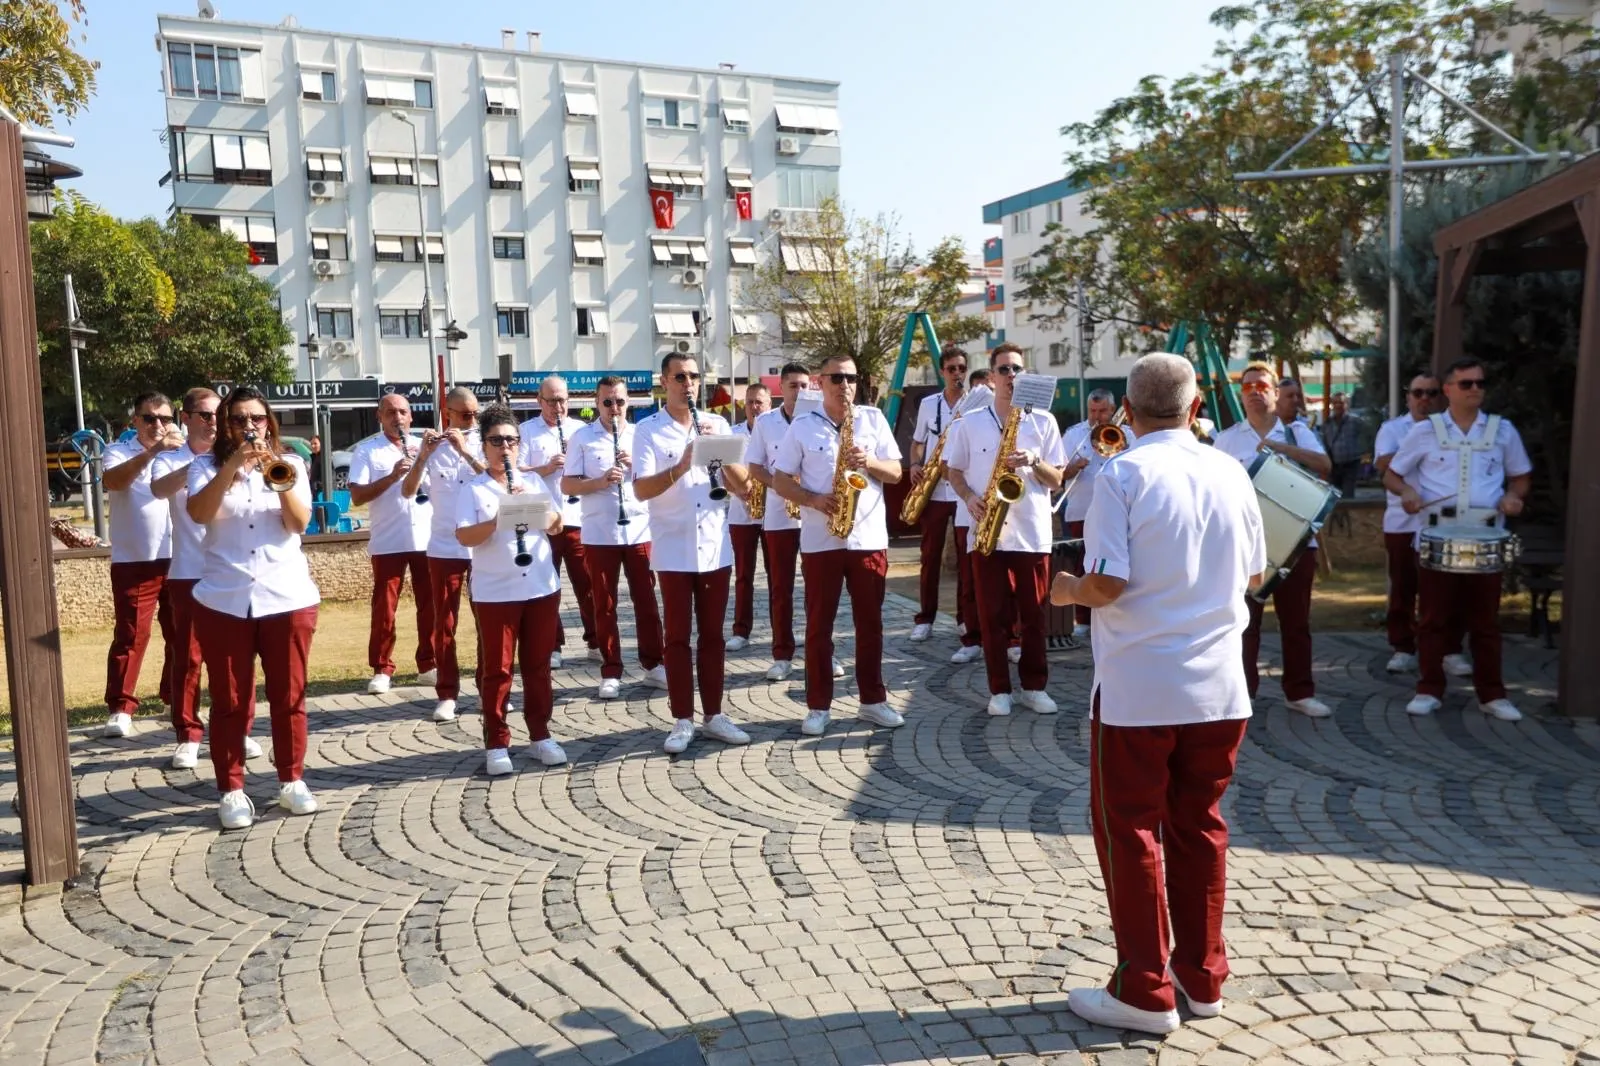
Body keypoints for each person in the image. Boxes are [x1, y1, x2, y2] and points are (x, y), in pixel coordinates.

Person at [1049, 353, 1266, 1036]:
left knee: (1131, 830)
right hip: (1221, 688)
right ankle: (1202, 979)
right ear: (1198, 408)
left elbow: (1106, 584)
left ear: (1128, 416)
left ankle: (1144, 988)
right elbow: (1257, 575)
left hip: (1141, 688)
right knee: (1200, 826)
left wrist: (1066, 591)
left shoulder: (1123, 473)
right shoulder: (1231, 470)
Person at [186, 386, 320, 830]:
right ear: (225, 424)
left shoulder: (291, 464)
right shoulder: (204, 467)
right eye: (240, 419)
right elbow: (200, 513)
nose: (250, 426)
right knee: (229, 701)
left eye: (257, 419)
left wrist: (271, 472)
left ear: (270, 423)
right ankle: (232, 790)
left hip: (286, 597)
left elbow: (299, 522)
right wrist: (232, 467)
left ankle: (292, 780)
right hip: (224, 598)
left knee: (290, 696)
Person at [1384, 357, 1532, 721]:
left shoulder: (1503, 431)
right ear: (1448, 390)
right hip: (1436, 535)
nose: (1476, 389)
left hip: (1484, 536)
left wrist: (1515, 496)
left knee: (1485, 621)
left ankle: (1492, 694)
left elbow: (1520, 476)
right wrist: (1405, 492)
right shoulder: (1425, 431)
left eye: (1480, 383)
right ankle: (1429, 688)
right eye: (1466, 384)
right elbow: (1392, 474)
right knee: (1433, 617)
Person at [771, 355, 906, 736]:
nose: (844, 385)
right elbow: (781, 480)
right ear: (820, 381)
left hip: (867, 538)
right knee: (819, 627)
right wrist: (813, 499)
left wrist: (870, 463)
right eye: (836, 377)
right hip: (820, 538)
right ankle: (818, 706)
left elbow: (895, 473)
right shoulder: (803, 425)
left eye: (850, 378)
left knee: (871, 625)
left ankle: (873, 701)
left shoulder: (873, 419)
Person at [633, 354, 754, 754]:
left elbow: (744, 488)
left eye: (694, 376)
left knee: (714, 637)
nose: (688, 384)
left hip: (714, 547)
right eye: (680, 377)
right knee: (678, 638)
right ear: (664, 383)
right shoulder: (647, 430)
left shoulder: (717, 425)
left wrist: (720, 459)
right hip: (672, 546)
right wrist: (682, 465)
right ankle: (682, 718)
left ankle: (715, 714)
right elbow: (641, 490)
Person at [943, 343, 1066, 716]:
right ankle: (999, 690)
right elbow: (954, 472)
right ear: (992, 376)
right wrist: (967, 498)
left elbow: (1057, 478)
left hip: (1030, 533)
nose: (1012, 376)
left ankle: (1034, 687)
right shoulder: (970, 422)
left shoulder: (1043, 421)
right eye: (1005, 370)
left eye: (1017, 370)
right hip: (986, 531)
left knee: (1034, 616)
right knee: (991, 616)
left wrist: (1034, 460)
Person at [1212, 362, 1334, 718]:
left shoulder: (1297, 432)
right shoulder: (1228, 437)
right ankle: (1242, 693)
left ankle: (1299, 693)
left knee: (1296, 624)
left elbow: (1324, 465)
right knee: (1243, 623)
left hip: (1296, 546)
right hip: (1245, 547)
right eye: (1247, 387)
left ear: (1275, 393)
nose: (1253, 392)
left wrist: (1280, 447)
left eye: (1261, 386)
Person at [151, 388, 262, 769]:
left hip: (231, 570)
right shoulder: (172, 457)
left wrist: (233, 459)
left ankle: (242, 730)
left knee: (237, 656)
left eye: (219, 415)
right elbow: (159, 489)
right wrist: (204, 463)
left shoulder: (245, 458)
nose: (213, 421)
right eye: (204, 415)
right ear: (186, 418)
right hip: (189, 569)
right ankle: (188, 733)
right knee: (189, 655)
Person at [456, 405, 568, 774]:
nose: (505, 448)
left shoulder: (533, 482)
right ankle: (497, 743)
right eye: (496, 441)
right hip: (495, 591)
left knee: (538, 666)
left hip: (540, 586)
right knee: (498, 671)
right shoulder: (473, 488)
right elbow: (464, 535)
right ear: (484, 446)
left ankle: (540, 735)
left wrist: (531, 507)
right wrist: (498, 517)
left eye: (511, 440)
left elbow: (556, 526)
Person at [560, 376, 667, 699]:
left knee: (646, 601)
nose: (614, 408)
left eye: (619, 401)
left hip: (639, 528)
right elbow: (567, 485)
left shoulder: (641, 434)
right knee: (603, 604)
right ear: (597, 404)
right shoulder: (582, 437)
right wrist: (600, 481)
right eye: (607, 402)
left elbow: (658, 478)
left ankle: (654, 664)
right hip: (599, 530)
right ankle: (611, 669)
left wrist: (635, 466)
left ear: (628, 402)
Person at [100, 392, 180, 738]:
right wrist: (154, 452)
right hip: (135, 558)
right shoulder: (118, 451)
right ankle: (121, 707)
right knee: (132, 635)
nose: (158, 425)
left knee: (182, 636)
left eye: (164, 418)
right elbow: (114, 482)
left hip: (181, 557)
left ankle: (175, 698)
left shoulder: (183, 450)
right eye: (149, 418)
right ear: (135, 421)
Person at [406, 387, 486, 722]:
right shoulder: (432, 449)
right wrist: (423, 455)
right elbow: (408, 490)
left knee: (488, 622)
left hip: (483, 545)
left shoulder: (485, 442)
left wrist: (466, 450)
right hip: (443, 546)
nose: (471, 420)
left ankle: (489, 689)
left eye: (475, 414)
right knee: (445, 623)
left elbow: (496, 481)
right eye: (465, 414)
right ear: (447, 413)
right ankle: (447, 692)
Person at [348, 394, 435, 694]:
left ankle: (429, 664)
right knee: (384, 607)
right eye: (390, 413)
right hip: (389, 539)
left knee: (430, 605)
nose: (397, 418)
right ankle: (382, 668)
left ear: (411, 417)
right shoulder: (366, 450)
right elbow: (357, 497)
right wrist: (392, 476)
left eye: (402, 412)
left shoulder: (426, 446)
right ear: (379, 417)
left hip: (426, 537)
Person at [519, 376, 597, 667]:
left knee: (587, 585)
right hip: (544, 520)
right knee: (547, 587)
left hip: (579, 518)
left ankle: (595, 641)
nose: (558, 406)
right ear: (539, 401)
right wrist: (546, 467)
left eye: (562, 399)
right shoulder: (525, 431)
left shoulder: (581, 430)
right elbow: (517, 471)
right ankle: (553, 646)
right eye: (551, 400)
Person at [1374, 374, 1448, 674]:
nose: (1424, 398)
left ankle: (1448, 648)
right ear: (1408, 397)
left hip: (1439, 520)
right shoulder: (1392, 428)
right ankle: (1402, 646)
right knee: (1403, 586)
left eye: (1431, 393)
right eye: (1418, 392)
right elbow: (1383, 464)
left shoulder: (1449, 430)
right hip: (1402, 520)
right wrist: (1421, 452)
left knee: (1441, 589)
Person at [744, 364, 810, 682]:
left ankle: (825, 651)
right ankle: (782, 655)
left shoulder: (820, 419)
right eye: (793, 385)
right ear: (780, 388)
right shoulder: (766, 422)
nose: (799, 391)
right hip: (778, 513)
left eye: (804, 385)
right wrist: (782, 486)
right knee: (780, 588)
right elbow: (754, 466)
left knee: (819, 588)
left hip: (814, 514)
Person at [907, 347, 969, 643]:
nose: (957, 374)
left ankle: (964, 618)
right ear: (942, 371)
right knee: (929, 556)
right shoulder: (929, 404)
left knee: (966, 557)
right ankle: (925, 618)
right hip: (932, 489)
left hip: (962, 489)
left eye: (962, 369)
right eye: (952, 369)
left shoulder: (975, 404)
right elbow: (917, 442)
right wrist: (915, 464)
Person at [1059, 388, 1122, 642]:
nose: (1097, 417)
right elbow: (1057, 473)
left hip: (1116, 512)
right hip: (1081, 510)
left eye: (1103, 411)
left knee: (1114, 564)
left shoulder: (1126, 434)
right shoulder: (1074, 434)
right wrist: (1074, 466)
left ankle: (1115, 617)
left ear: (1112, 410)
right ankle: (1083, 620)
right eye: (1093, 412)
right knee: (1083, 565)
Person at [949, 367, 995, 665]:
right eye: (978, 389)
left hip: (1005, 514)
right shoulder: (961, 423)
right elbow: (947, 468)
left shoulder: (1011, 418)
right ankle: (972, 639)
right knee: (969, 582)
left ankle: (1010, 638)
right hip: (969, 514)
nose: (984, 395)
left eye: (987, 388)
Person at [727, 383, 771, 653]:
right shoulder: (733, 434)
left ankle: (782, 630)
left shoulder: (780, 431)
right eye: (751, 402)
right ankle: (741, 631)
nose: (755, 407)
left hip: (774, 514)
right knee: (743, 575)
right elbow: (723, 473)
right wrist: (738, 491)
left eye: (760, 402)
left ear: (769, 405)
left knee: (778, 575)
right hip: (741, 514)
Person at [1320, 391, 1365, 500]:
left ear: (1347, 404)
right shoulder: (1327, 423)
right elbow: (1324, 442)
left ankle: (1348, 516)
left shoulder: (1356, 421)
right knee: (1333, 496)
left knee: (1348, 496)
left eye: (1341, 402)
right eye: (1335, 403)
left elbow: (1366, 437)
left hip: (1351, 464)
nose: (1338, 405)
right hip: (1334, 466)